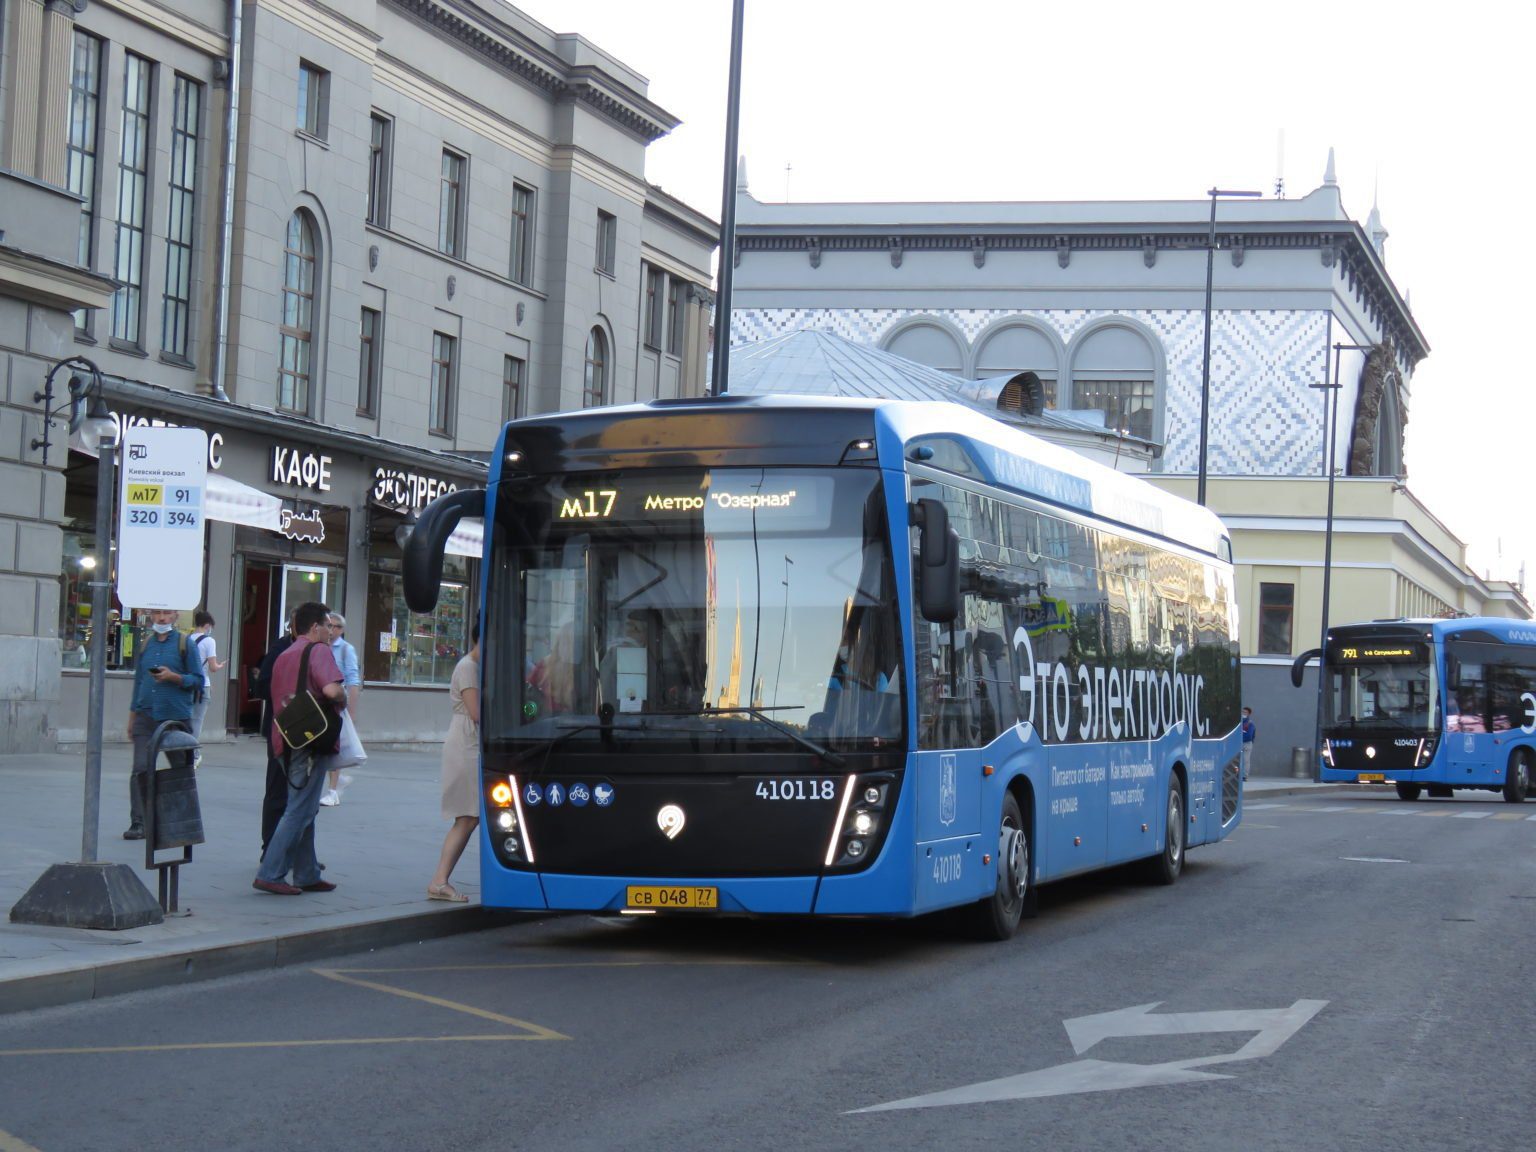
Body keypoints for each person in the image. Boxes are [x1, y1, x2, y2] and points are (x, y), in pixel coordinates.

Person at [253, 601, 345, 895]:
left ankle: (306, 873)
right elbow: (332, 690)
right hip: (311, 740)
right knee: (298, 810)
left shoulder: (285, 653)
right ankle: (270, 871)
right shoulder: (318, 651)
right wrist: (342, 698)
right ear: (315, 627)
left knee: (304, 808)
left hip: (286, 738)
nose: (331, 632)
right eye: (328, 626)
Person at [124, 609, 206, 840]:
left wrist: (174, 677)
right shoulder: (146, 644)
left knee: (181, 771)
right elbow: (139, 681)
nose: (161, 618)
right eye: (157, 613)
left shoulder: (185, 644)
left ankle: (183, 821)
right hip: (146, 715)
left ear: (175, 617)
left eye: (166, 614)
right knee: (140, 768)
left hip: (174, 718)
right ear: (151, 616)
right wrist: (132, 717)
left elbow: (198, 680)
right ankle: (139, 822)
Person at [429, 619, 481, 902]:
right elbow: (476, 712)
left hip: (467, 741)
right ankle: (439, 881)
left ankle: (440, 880)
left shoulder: (472, 666)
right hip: (466, 743)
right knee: (467, 817)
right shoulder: (469, 667)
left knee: (470, 817)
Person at [252, 614, 296, 857]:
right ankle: (269, 847)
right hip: (281, 728)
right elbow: (262, 686)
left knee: (301, 795)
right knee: (278, 788)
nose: (330, 631)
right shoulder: (281, 649)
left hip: (307, 730)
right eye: (326, 625)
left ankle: (298, 852)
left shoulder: (319, 650)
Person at [321, 612, 363, 806]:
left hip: (337, 703)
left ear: (342, 630)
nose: (332, 630)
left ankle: (333, 791)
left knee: (334, 745)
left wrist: (352, 712)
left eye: (337, 627)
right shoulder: (320, 647)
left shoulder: (346, 650)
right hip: (321, 702)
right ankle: (338, 780)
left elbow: (353, 680)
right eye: (330, 625)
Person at [188, 610, 227, 767]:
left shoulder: (188, 639)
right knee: (197, 721)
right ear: (207, 625)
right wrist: (220, 665)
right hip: (202, 685)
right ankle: (193, 753)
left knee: (188, 720)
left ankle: (186, 751)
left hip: (189, 684)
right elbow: (212, 667)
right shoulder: (209, 641)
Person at [1240, 705, 1257, 781]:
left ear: (1248, 714)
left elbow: (1250, 735)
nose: (1243, 713)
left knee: (1245, 760)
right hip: (1239, 743)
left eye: (1245, 712)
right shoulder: (1239, 723)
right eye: (1242, 711)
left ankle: (1244, 776)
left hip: (1246, 743)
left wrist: (1241, 738)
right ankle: (1239, 774)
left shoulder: (1250, 723)